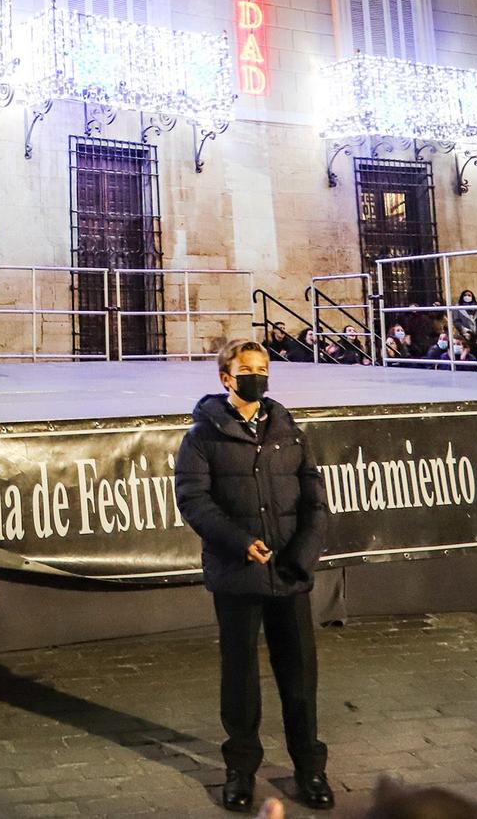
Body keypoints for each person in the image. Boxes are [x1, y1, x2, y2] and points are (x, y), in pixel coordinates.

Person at [175, 338, 334, 812]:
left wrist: (302, 555)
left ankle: (309, 769)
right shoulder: (203, 436)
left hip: (288, 572)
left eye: (263, 368)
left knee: (300, 677)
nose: (258, 376)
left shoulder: (288, 428)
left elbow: (314, 498)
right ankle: (240, 771)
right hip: (238, 573)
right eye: (248, 368)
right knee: (240, 677)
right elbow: (194, 500)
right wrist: (240, 543)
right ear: (227, 377)